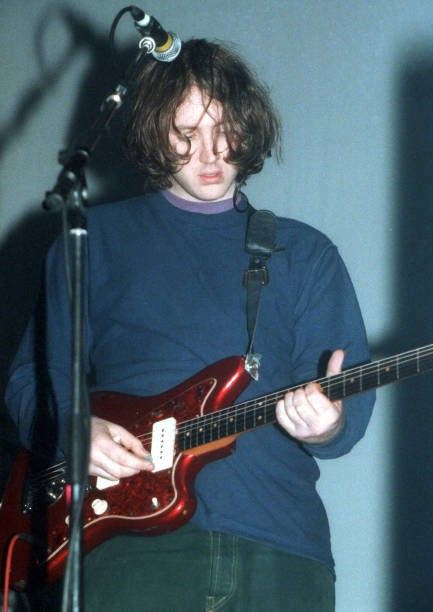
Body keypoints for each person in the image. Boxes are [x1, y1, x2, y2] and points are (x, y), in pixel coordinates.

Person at [5, 39, 374, 611]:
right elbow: (31, 381)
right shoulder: (93, 241)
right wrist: (76, 428)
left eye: (226, 131)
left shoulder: (305, 253)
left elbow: (347, 412)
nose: (210, 152)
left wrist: (326, 424)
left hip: (282, 544)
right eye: (185, 135)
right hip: (129, 547)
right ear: (155, 133)